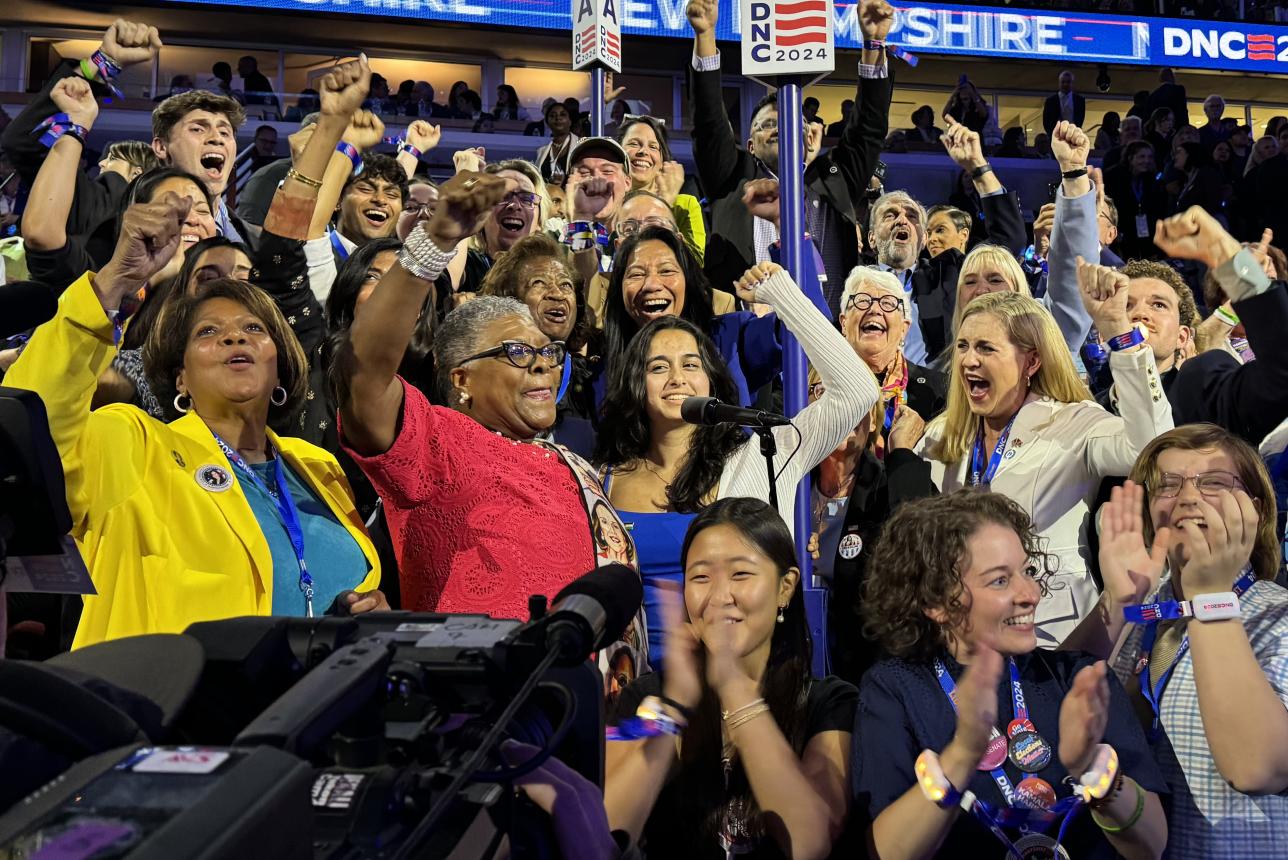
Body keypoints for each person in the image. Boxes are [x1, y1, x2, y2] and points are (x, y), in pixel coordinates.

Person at [5, 190, 385, 648]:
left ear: (280, 363)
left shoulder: (318, 468)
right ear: (180, 378)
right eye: (208, 332)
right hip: (167, 709)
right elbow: (31, 421)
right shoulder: (132, 443)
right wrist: (112, 284)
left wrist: (371, 615)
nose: (233, 338)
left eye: (253, 329)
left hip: (311, 710)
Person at [335, 171, 646, 655]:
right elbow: (364, 376)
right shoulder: (438, 441)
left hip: (590, 712)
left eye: (548, 352)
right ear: (461, 379)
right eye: (519, 351)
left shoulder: (568, 460)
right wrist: (432, 242)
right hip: (485, 708)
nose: (543, 363)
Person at [853, 491, 1168, 859]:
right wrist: (962, 754)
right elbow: (887, 851)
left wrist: (1094, 771)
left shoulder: (1076, 677)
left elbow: (1153, 845)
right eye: (1000, 580)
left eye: (1028, 571)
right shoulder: (894, 689)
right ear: (936, 602)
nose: (1031, 593)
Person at [595, 261, 877, 662]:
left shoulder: (763, 455)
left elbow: (858, 391)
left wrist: (779, 293)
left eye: (691, 365)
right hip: (628, 690)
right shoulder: (600, 478)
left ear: (712, 381)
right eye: (659, 367)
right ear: (635, 386)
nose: (677, 377)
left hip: (730, 689)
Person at [918, 283, 1173, 645]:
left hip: (1053, 635)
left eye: (986, 348)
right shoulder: (940, 436)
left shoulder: (1074, 423)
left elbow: (1151, 447)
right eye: (963, 346)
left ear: (1032, 361)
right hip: (963, 631)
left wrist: (1123, 338)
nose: (968, 360)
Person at [605, 498, 857, 860]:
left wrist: (735, 688)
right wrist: (673, 711)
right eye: (701, 577)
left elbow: (810, 842)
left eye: (740, 574)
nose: (720, 597)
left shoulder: (829, 703)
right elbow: (605, 830)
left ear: (785, 587)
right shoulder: (648, 698)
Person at [1090, 425, 1288, 859]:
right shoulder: (1142, 611)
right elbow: (1050, 711)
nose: (1188, 497)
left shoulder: (1279, 618)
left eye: (1214, 482)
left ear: (1254, 509)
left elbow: (1258, 767)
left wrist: (1211, 596)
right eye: (1168, 485)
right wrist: (1117, 599)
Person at [687, 0, 894, 313]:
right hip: (745, 340)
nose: (777, 128)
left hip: (826, 337)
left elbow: (868, 127)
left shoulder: (835, 179)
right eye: (765, 125)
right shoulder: (731, 178)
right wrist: (705, 36)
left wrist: (874, 43)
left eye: (787, 121)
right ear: (750, 145)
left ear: (809, 138)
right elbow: (708, 123)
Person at [600, 226, 822, 407]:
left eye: (666, 271)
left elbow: (810, 326)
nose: (651, 285)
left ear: (688, 281)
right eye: (637, 274)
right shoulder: (604, 373)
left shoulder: (731, 339)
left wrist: (785, 225)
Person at [867, 118, 1026, 364]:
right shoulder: (851, 277)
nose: (902, 221)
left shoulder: (948, 273)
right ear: (872, 239)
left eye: (911, 216)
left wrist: (978, 167)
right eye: (890, 215)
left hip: (933, 395)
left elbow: (1008, 242)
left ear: (922, 240)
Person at [1150, 207, 1288, 444]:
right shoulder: (1202, 368)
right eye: (1127, 304)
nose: (1141, 314)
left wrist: (1235, 266)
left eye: (1270, 283)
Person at [478, 232, 596, 455]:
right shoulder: (485, 373)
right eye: (539, 283)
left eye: (566, 285)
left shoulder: (594, 383)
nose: (557, 294)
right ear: (509, 298)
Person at [617, 115, 706, 261]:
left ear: (662, 161)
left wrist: (665, 205)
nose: (643, 151)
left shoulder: (685, 206)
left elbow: (693, 264)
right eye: (634, 144)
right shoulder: (609, 205)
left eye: (653, 146)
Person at [1105, 141, 1168, 261]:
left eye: (1150, 157)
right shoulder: (1114, 177)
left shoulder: (1153, 179)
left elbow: (1159, 208)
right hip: (1121, 234)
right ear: (1130, 158)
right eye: (1142, 156)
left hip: (1146, 234)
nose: (1146, 161)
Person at [1043, 69, 1085, 136]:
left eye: (1068, 82)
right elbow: (1046, 122)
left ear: (1072, 83)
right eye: (1063, 82)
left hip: (1073, 136)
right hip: (1056, 137)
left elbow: (1080, 120)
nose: (1065, 84)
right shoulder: (1050, 101)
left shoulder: (1080, 101)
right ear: (1059, 83)